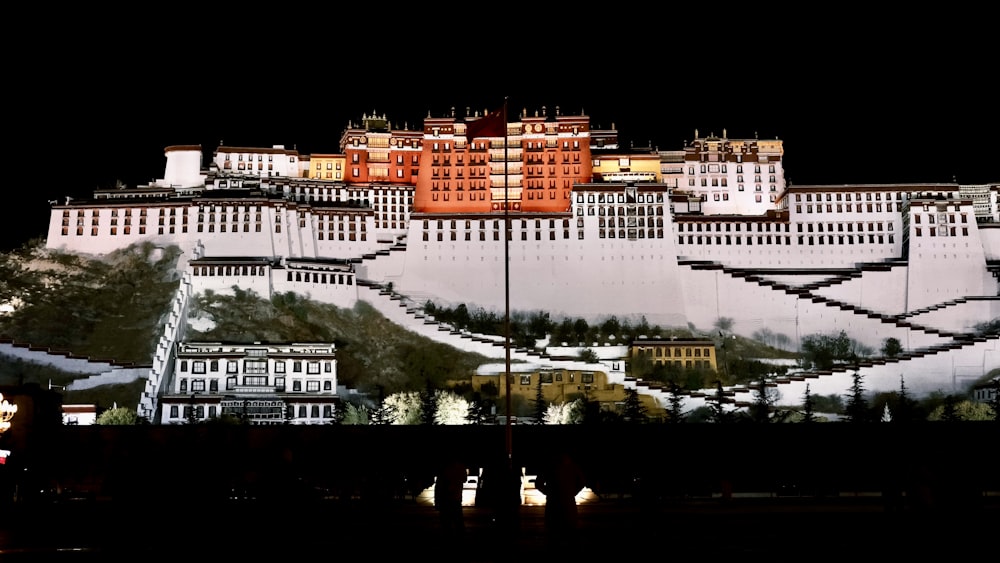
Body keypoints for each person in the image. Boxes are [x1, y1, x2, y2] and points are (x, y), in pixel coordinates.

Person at [536, 451, 586, 547]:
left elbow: (538, 484)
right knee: (570, 537)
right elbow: (582, 482)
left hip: (553, 506)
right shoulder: (573, 466)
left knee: (554, 539)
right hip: (569, 506)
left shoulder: (549, 465)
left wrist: (548, 492)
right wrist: (573, 492)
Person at [434, 455, 468, 539]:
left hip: (446, 498)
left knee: (447, 522)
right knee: (457, 520)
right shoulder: (460, 467)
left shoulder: (445, 468)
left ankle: (449, 537)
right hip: (455, 498)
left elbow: (439, 486)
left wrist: (437, 501)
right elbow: (464, 479)